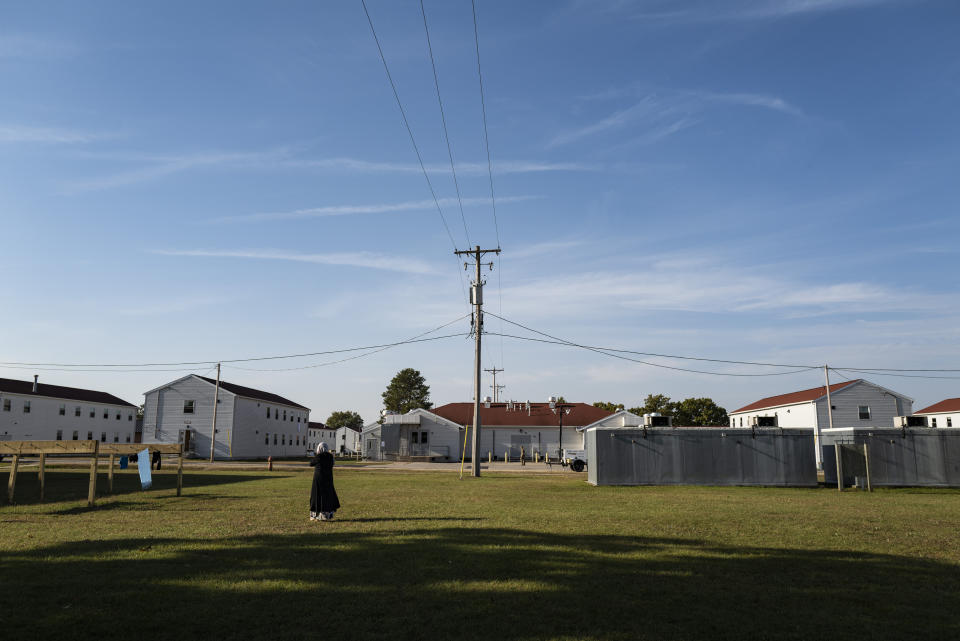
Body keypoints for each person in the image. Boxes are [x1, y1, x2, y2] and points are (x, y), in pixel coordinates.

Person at [309, 442, 340, 521]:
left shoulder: (319, 456)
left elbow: (311, 463)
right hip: (328, 479)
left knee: (317, 496)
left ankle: (316, 515)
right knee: (328, 496)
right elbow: (333, 463)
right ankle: (327, 514)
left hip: (318, 479)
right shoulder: (330, 456)